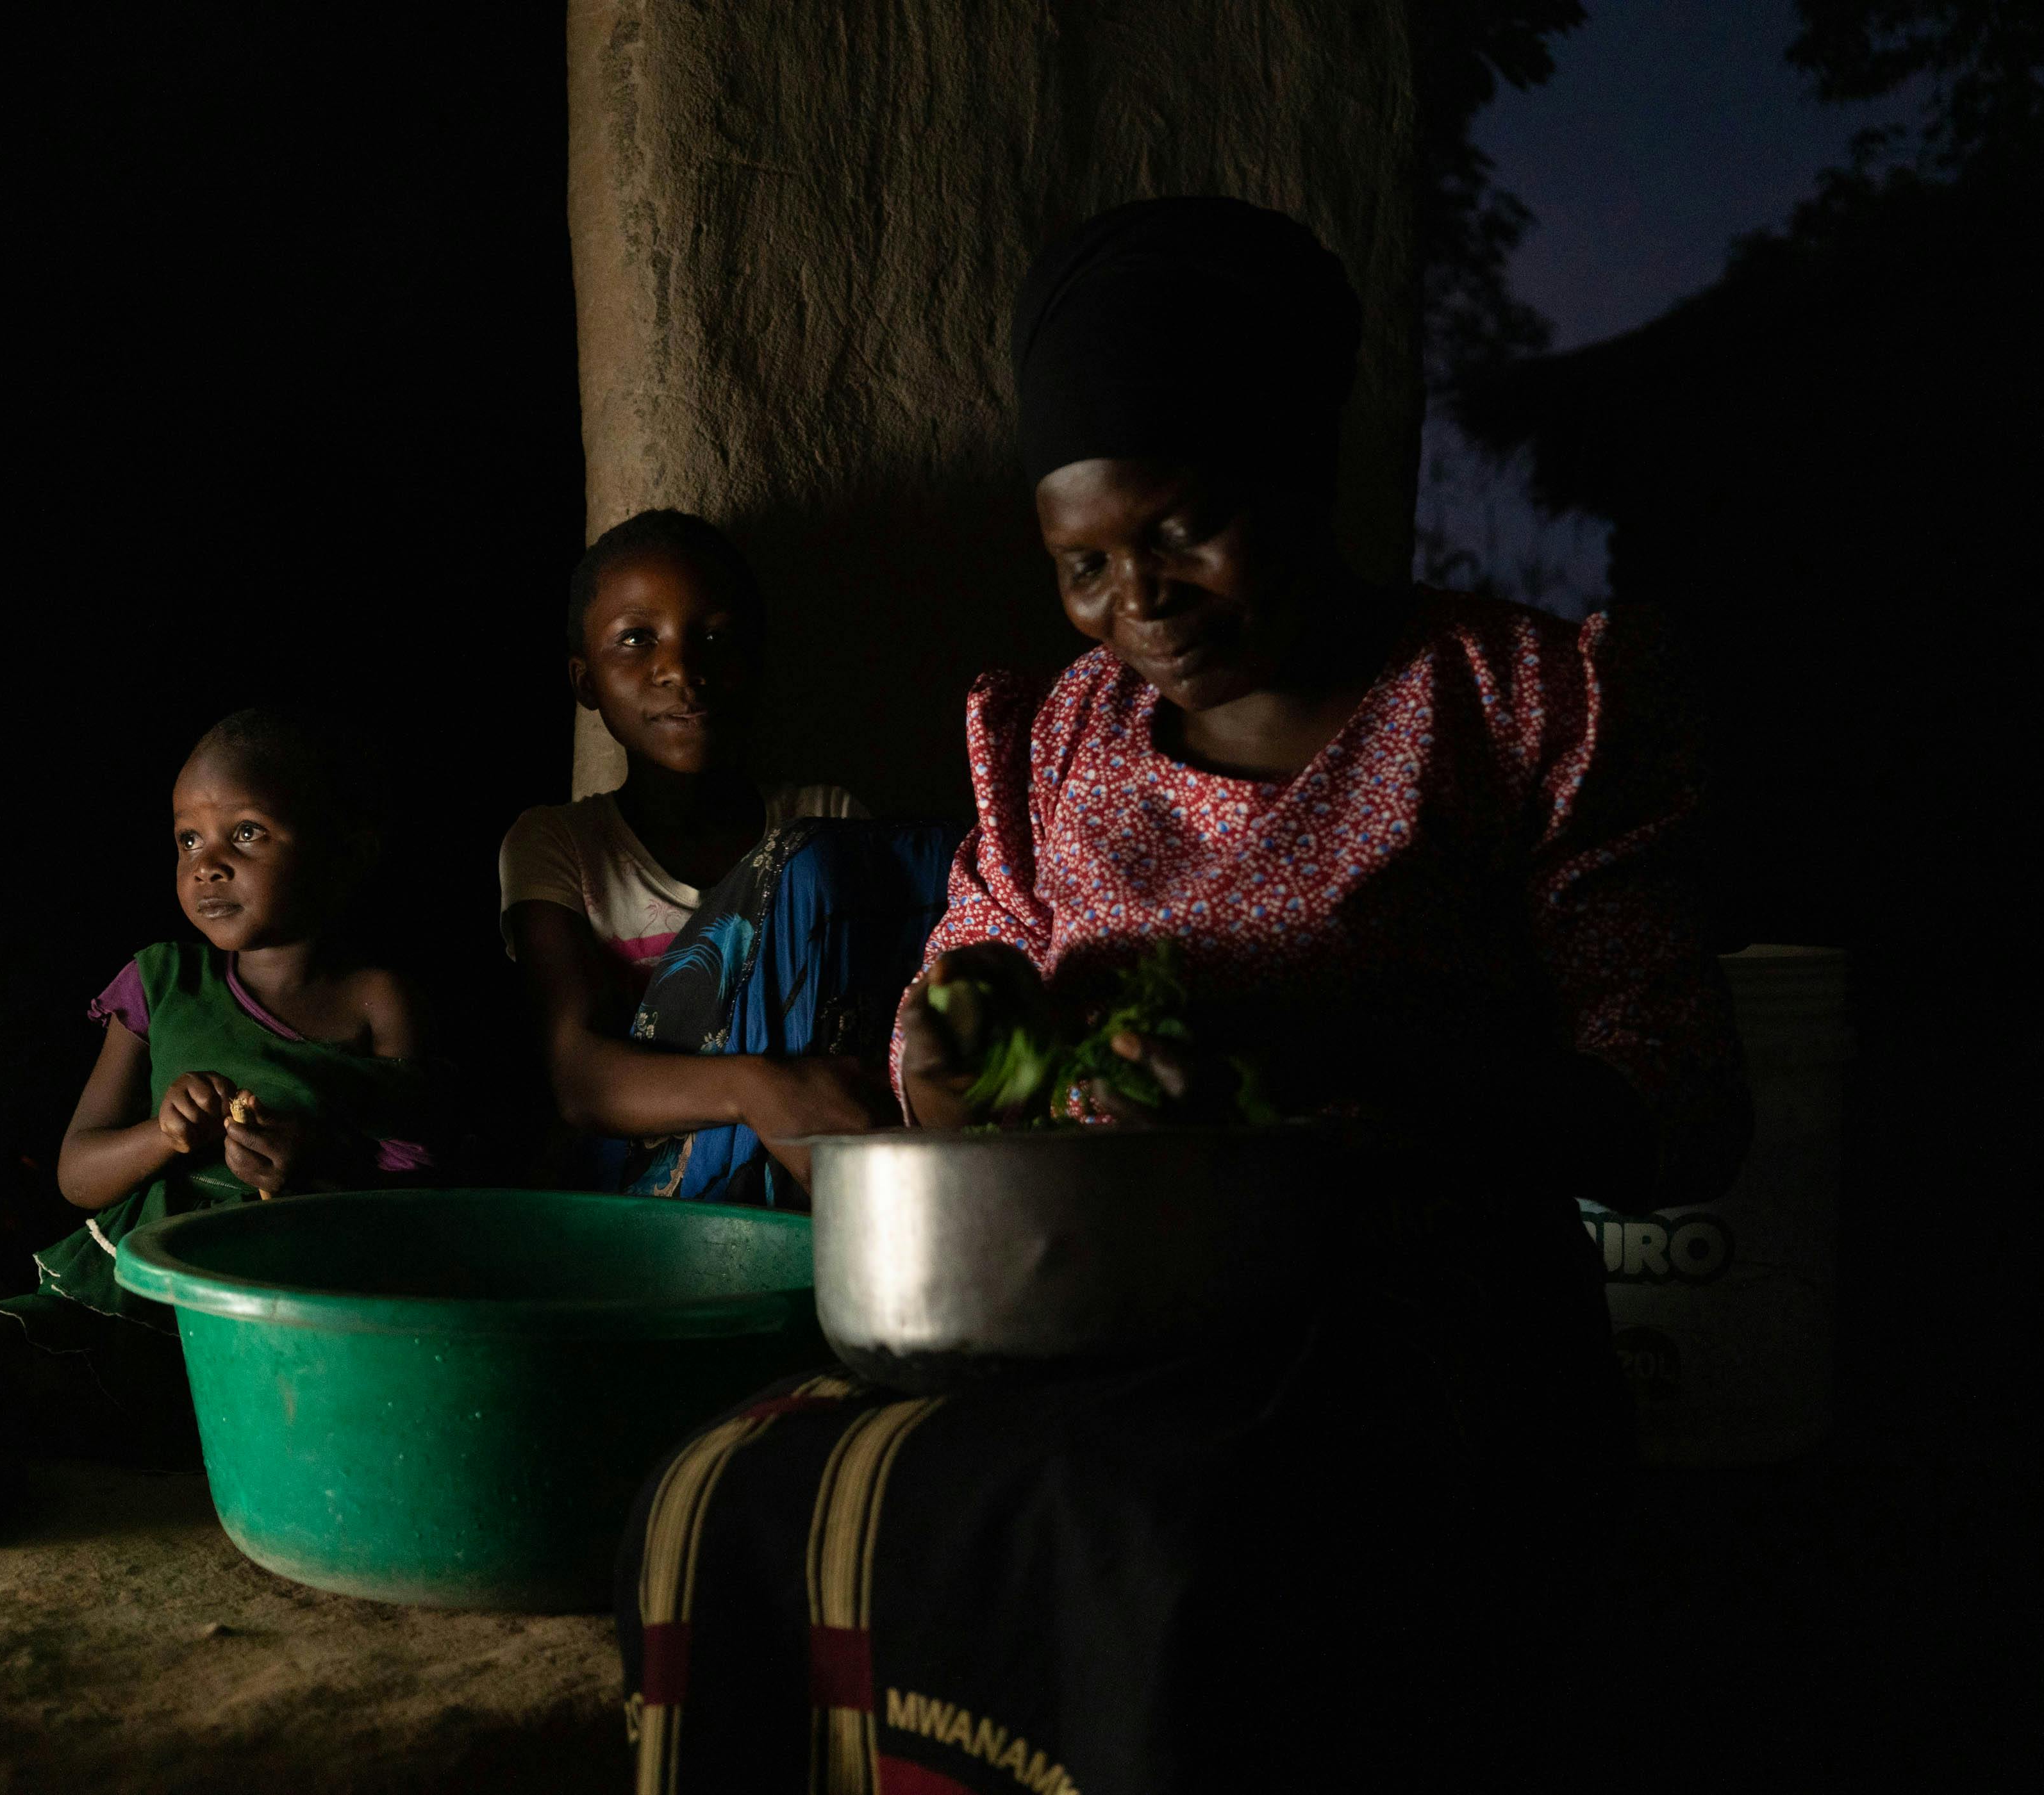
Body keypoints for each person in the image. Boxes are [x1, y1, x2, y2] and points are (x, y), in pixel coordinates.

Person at [614, 199, 1752, 1789]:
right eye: (1081, 564)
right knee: (725, 1490)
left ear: (1304, 474)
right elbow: (949, 1035)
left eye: (1184, 527)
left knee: (1147, 1541)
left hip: (1407, 1332)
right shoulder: (1056, 736)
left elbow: (1679, 1107)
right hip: (1090, 1311)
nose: (1136, 599)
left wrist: (1325, 1048)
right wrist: (959, 1044)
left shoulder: (1522, 706)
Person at [0, 708, 445, 1458]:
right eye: (189, 839)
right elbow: (77, 1172)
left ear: (346, 850)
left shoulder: (378, 1001)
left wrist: (316, 1157)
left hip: (295, 1295)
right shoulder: (161, 981)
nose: (209, 863)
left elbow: (427, 1189)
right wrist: (163, 1134)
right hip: (139, 1286)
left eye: (247, 833)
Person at [501, 509, 954, 1205]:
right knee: (804, 863)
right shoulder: (562, 844)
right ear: (586, 681)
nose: (682, 668)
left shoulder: (826, 816)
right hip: (645, 1191)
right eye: (637, 639)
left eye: (714, 637)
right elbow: (579, 1075)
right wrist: (757, 1088)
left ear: (755, 662)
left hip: (822, 1151)